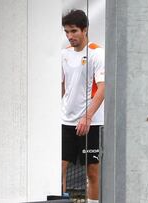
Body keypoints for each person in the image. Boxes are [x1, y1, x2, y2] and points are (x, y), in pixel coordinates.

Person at [61, 9, 104, 203]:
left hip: (91, 124)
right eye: (66, 32)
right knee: (58, 169)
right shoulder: (63, 54)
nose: (70, 36)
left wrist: (87, 117)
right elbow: (62, 87)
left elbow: (103, 88)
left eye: (74, 31)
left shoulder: (97, 53)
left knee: (92, 172)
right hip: (66, 122)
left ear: (85, 30)